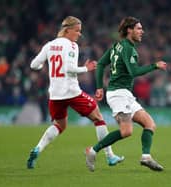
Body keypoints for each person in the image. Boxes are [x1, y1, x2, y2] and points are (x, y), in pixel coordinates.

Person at [27, 16, 124, 169]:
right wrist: (86, 68)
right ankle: (110, 156)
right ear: (68, 30)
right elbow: (69, 69)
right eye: (77, 31)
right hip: (71, 92)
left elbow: (34, 65)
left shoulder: (49, 45)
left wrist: (41, 67)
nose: (79, 34)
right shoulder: (71, 46)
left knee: (59, 124)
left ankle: (38, 148)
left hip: (55, 94)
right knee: (98, 117)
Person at [85, 16, 167, 172]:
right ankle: (93, 151)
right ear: (129, 30)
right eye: (139, 28)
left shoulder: (117, 46)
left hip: (125, 94)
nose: (142, 31)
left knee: (149, 124)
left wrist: (99, 87)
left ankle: (146, 157)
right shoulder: (128, 48)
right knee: (126, 131)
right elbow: (134, 71)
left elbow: (101, 63)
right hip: (118, 94)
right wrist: (154, 66)